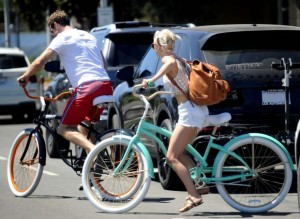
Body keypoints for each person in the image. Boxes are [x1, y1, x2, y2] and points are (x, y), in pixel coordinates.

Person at [17, 10, 112, 154]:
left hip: (87, 87)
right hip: (105, 85)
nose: (53, 35)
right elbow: (103, 65)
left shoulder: (62, 37)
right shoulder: (88, 35)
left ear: (55, 25)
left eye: (52, 31)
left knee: (64, 128)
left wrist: (25, 76)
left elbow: (40, 61)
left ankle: (94, 151)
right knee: (85, 125)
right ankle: (94, 170)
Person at [142, 29, 209, 213]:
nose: (153, 47)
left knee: (170, 157)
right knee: (178, 154)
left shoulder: (168, 60)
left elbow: (163, 69)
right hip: (194, 110)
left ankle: (194, 195)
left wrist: (150, 81)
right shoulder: (179, 59)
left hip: (190, 113)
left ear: (159, 45)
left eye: (154, 44)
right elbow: (180, 85)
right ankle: (200, 183)